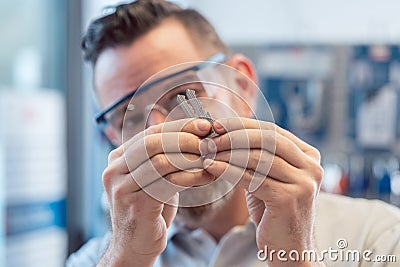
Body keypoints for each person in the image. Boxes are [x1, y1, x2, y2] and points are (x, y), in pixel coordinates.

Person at [67, 1, 400, 266]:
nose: (161, 132)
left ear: (242, 85)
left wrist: (297, 260)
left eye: (183, 94)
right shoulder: (96, 261)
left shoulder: (378, 237)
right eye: (130, 117)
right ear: (112, 136)